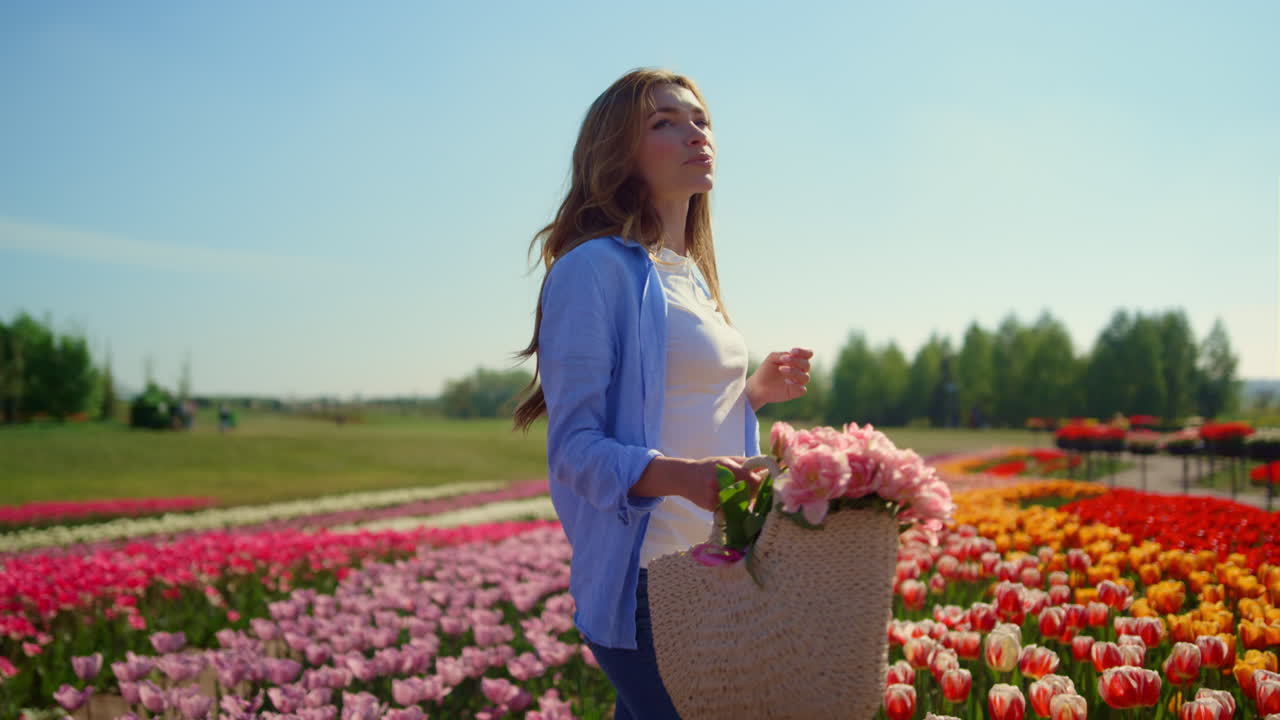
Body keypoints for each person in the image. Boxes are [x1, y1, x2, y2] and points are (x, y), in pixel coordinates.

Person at [512, 68, 813, 719]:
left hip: (715, 570)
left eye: (700, 119)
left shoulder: (692, 280)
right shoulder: (590, 270)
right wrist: (679, 477)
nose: (694, 133)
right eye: (664, 122)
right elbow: (575, 449)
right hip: (645, 587)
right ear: (617, 151)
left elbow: (669, 411)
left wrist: (751, 394)